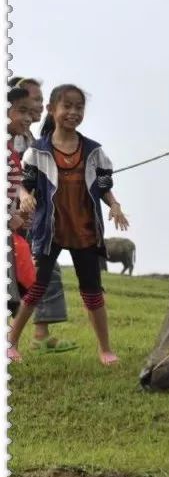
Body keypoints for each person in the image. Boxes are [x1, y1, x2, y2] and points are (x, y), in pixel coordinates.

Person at [8, 84, 130, 364]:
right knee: (37, 286)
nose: (73, 112)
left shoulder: (93, 151)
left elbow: (103, 184)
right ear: (52, 110)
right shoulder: (36, 151)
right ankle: (11, 341)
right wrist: (25, 197)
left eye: (79, 107)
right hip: (50, 230)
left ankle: (105, 349)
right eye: (67, 106)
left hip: (84, 230)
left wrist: (115, 205)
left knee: (92, 291)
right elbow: (25, 185)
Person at [8, 77, 77, 354]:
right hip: (16, 219)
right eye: (34, 101)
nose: (38, 106)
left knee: (42, 272)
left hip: (25, 219)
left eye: (38, 102)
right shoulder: (13, 138)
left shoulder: (31, 138)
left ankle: (38, 334)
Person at [7, 87, 33, 316]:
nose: (27, 118)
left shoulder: (12, 148)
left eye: (29, 112)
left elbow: (12, 184)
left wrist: (21, 207)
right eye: (21, 111)